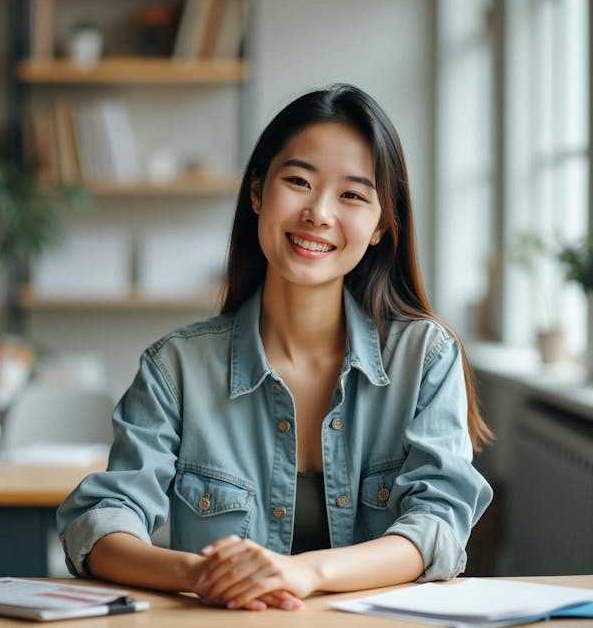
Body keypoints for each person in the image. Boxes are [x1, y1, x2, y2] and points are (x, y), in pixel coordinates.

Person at [57, 84, 493, 612]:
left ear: (381, 225)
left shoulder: (425, 356)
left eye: (352, 195)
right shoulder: (176, 367)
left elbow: (439, 526)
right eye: (299, 182)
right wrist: (204, 574)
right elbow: (101, 523)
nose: (319, 212)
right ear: (258, 192)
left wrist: (300, 573)